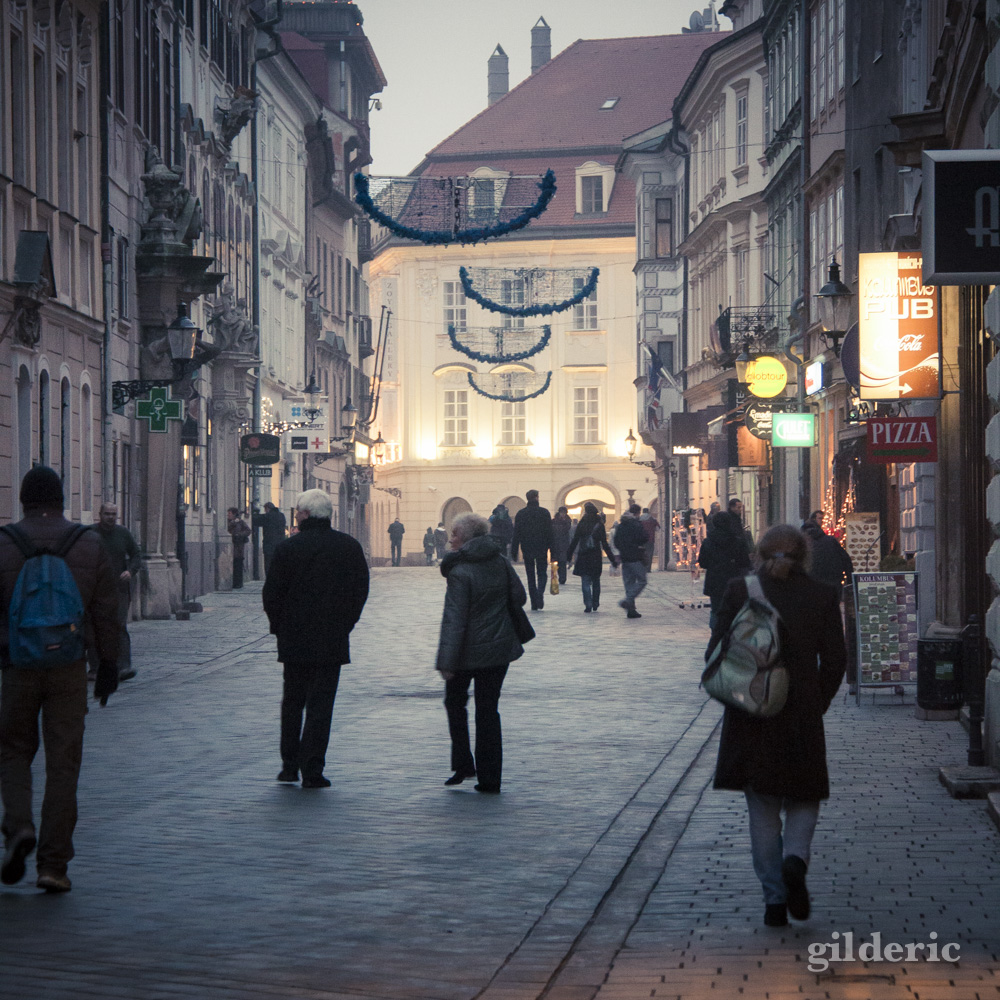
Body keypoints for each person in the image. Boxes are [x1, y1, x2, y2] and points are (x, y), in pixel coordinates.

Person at [705, 524, 846, 928]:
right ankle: (795, 861)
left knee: (762, 805)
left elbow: (716, 649)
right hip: (801, 709)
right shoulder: (821, 594)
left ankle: (773, 900)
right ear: (805, 555)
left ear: (759, 553)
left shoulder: (739, 590)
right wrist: (817, 701)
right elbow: (836, 660)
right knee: (804, 796)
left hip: (751, 710)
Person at [0, 467, 120, 893]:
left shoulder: (5, 543)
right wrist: (109, 665)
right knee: (63, 763)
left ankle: (18, 826)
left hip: (16, 665)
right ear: (61, 500)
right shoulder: (87, 543)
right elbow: (107, 611)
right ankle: (54, 865)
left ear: (24, 500)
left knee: (13, 751)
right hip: (69, 666)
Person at [262, 489, 369, 788]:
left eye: (297, 511)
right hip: (331, 639)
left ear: (306, 514)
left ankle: (288, 765)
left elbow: (272, 594)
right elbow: (360, 590)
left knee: (293, 701)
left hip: (294, 640)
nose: (296, 516)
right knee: (321, 706)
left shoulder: (288, 549)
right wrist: (346, 623)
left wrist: (279, 627)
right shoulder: (348, 547)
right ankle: (313, 768)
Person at [436, 512, 526, 794]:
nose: (450, 539)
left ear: (466, 539)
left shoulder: (460, 571)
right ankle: (490, 778)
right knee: (488, 711)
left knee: (455, 703)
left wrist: (446, 662)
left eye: (454, 535)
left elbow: (454, 619)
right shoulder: (499, 561)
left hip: (465, 652)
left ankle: (464, 763)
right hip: (498, 649)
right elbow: (520, 597)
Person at [801, 519, 857, 693]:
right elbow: (846, 560)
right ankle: (828, 654)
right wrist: (849, 580)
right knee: (831, 624)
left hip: (810, 590)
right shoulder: (831, 541)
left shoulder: (803, 544)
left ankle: (815, 657)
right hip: (833, 588)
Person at [89, 503, 140, 682]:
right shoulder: (90, 533)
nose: (110, 517)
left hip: (119, 588)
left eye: (113, 514)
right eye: (107, 514)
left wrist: (130, 571)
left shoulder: (123, 533)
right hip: (96, 588)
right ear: (100, 514)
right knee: (94, 627)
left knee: (119, 626)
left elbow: (136, 554)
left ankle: (124, 666)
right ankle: (95, 668)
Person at [698, 511, 752, 630]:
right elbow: (745, 563)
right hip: (734, 580)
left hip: (715, 581)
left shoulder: (708, 542)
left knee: (716, 609)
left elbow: (702, 562)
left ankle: (716, 633)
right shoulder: (738, 542)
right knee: (735, 609)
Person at [566, 503, 618, 612]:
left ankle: (588, 604)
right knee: (595, 581)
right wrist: (612, 559)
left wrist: (569, 555)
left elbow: (575, 541)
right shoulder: (599, 525)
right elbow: (604, 544)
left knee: (585, 581)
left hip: (584, 556)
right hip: (595, 556)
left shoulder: (582, 523)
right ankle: (595, 602)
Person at [510, 490, 553, 611]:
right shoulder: (544, 513)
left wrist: (514, 551)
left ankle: (534, 601)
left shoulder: (521, 514)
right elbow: (550, 533)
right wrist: (553, 550)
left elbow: (516, 534)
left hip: (527, 548)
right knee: (542, 573)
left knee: (530, 575)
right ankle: (540, 594)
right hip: (541, 547)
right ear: (537, 498)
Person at [613, 504, 648, 619]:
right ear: (637, 513)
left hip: (625, 557)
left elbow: (616, 541)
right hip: (635, 556)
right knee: (642, 580)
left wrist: (622, 550)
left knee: (629, 583)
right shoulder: (636, 524)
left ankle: (631, 610)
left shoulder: (621, 525)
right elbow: (644, 538)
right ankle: (627, 601)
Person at [253, 502, 287, 576]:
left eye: (265, 510)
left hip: (269, 544)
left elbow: (256, 520)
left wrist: (254, 513)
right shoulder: (282, 515)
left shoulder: (268, 516)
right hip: (280, 544)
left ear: (267, 508)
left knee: (268, 564)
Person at [227, 507, 251, 588]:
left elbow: (248, 530)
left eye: (229, 513)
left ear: (234, 514)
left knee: (238, 564)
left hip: (239, 547)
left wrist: (240, 534)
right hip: (231, 546)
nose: (228, 515)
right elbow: (228, 530)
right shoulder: (228, 522)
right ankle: (233, 582)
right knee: (233, 564)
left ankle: (238, 583)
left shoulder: (240, 522)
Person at [551, 506, 572, 585]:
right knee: (555, 562)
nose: (563, 514)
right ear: (559, 513)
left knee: (562, 562)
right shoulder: (553, 521)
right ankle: (554, 578)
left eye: (564, 513)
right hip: (555, 544)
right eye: (562, 513)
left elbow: (567, 530)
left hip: (564, 545)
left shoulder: (568, 521)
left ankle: (562, 578)